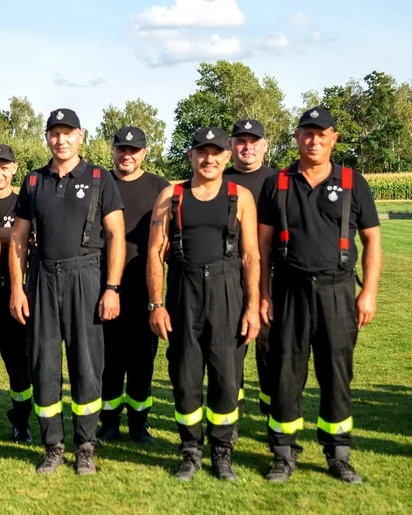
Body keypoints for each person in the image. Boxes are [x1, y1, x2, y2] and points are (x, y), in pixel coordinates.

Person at [258, 107, 381, 484]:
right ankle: (283, 453)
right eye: (307, 133)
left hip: (337, 291)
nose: (314, 140)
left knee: (336, 374)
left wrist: (369, 293)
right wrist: (263, 295)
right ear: (296, 137)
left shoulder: (351, 182)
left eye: (321, 134)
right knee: (285, 375)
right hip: (289, 291)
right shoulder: (276, 183)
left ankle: (338, 453)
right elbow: (262, 246)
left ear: (334, 138)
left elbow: (372, 239)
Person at [9, 108, 125, 475]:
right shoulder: (32, 181)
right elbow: (18, 239)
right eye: (54, 133)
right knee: (43, 364)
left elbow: (116, 237)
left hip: (86, 275)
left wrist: (111, 288)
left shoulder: (99, 178)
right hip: (42, 277)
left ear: (81, 135)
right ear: (47, 138)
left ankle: (85, 446)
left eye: (68, 133)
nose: (61, 140)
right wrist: (17, 288)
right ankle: (53, 446)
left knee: (86, 365)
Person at [147, 127, 260, 481]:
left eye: (215, 152)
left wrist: (253, 306)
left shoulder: (240, 197)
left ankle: (222, 452)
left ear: (227, 156)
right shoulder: (171, 196)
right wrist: (156, 304)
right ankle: (191, 451)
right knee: (184, 377)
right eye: (201, 152)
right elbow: (155, 252)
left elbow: (251, 255)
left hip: (228, 294)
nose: (208, 159)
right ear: (190, 156)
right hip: (184, 293)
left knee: (227, 379)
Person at [97, 126, 168, 444]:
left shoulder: (159, 187)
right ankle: (108, 424)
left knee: (142, 362)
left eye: (134, 150)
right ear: (112, 150)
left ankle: (139, 426)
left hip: (143, 290)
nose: (127, 155)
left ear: (144, 153)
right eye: (121, 148)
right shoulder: (98, 182)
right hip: (102, 286)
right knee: (108, 361)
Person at [224, 119, 277, 416]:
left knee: (271, 348)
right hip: (229, 274)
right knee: (233, 346)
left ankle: (271, 412)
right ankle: (232, 409)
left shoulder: (279, 181)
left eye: (253, 141)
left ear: (264, 145)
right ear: (231, 146)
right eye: (241, 141)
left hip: (269, 276)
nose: (247, 147)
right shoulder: (219, 178)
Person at [0, 144, 33, 442]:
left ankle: (21, 421)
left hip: (14, 294)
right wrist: (10, 235)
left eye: (3, 167)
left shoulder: (23, 203)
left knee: (18, 365)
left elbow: (26, 237)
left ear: (14, 168)